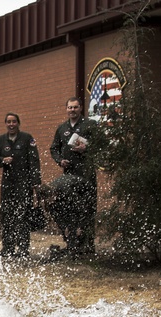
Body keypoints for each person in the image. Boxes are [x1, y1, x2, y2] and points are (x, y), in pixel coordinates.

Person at [49, 97, 98, 256]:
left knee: (87, 209)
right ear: (66, 109)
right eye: (69, 108)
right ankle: (72, 245)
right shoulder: (62, 128)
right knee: (69, 208)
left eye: (75, 107)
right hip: (68, 178)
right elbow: (54, 148)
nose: (72, 110)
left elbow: (100, 145)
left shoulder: (90, 125)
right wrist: (59, 160)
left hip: (86, 175)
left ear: (80, 108)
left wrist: (87, 148)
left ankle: (88, 246)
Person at [0, 112, 42, 257]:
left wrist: (35, 182)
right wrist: (2, 160)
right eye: (8, 122)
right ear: (5, 124)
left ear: (18, 123)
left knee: (23, 215)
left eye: (14, 121)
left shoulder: (27, 138)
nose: (11, 124)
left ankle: (23, 248)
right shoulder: (1, 140)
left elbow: (34, 161)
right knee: (7, 214)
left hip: (24, 182)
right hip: (8, 183)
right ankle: (7, 247)